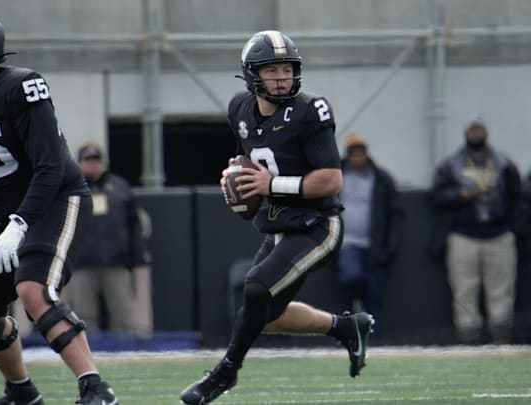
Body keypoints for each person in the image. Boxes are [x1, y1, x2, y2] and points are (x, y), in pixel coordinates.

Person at [0, 9, 117, 404]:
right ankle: (22, 393)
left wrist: (17, 226)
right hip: (4, 213)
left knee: (34, 290)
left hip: (56, 201)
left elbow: (50, 167)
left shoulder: (22, 87)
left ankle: (96, 388)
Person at [180, 30, 375, 405]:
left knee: (255, 288)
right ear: (253, 75)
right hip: (279, 225)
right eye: (272, 70)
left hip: (318, 225)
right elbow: (247, 161)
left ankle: (224, 374)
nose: (282, 77)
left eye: (287, 69)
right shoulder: (239, 109)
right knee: (265, 317)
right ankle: (347, 328)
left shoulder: (310, 110)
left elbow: (331, 179)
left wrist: (271, 184)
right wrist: (234, 177)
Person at [431, 115, 522, 345]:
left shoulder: (503, 162)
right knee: (464, 291)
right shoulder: (451, 163)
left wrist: (511, 226)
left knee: (501, 291)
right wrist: (458, 195)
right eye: (472, 130)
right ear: (466, 133)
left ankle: (502, 339)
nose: (475, 134)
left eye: (479, 129)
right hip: (463, 234)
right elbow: (437, 195)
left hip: (498, 234)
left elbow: (517, 195)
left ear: (486, 133)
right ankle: (468, 340)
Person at [65, 142, 152, 337]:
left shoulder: (120, 187)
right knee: (84, 316)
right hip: (81, 264)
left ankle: (124, 355)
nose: (92, 165)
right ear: (79, 163)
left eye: (96, 160)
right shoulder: (71, 188)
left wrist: (137, 257)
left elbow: (134, 225)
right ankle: (88, 359)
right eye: (88, 160)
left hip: (116, 263)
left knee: (122, 313)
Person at [337, 134, 404, 334]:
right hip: (348, 244)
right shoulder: (336, 176)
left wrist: (390, 247)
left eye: (361, 154)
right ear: (347, 156)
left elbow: (396, 215)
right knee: (351, 276)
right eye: (353, 154)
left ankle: (375, 343)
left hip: (375, 247)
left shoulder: (382, 178)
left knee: (375, 301)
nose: (358, 158)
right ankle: (357, 301)